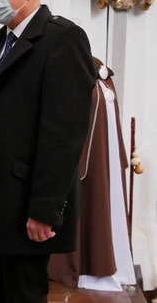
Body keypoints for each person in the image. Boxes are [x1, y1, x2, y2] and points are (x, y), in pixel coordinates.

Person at [0, 0, 95, 303]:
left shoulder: (63, 39)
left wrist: (43, 210)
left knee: (22, 294)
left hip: (25, 202)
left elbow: (64, 134)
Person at [48, 58, 136, 290]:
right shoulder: (71, 72)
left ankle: (107, 261)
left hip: (103, 158)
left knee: (106, 203)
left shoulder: (99, 74)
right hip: (85, 157)